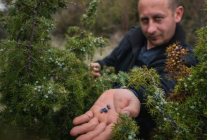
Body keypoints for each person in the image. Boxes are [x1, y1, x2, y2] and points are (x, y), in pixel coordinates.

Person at [70, 0, 198, 139]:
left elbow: (164, 88)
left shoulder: (185, 58)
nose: (150, 29)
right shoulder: (133, 37)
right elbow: (112, 61)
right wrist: (97, 66)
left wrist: (133, 93)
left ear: (177, 14)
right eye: (144, 20)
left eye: (158, 18)